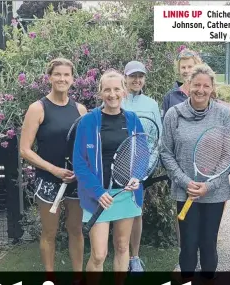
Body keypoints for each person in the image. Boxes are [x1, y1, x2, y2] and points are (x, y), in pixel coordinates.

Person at [160, 64, 230, 282]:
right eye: (196, 85)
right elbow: (165, 152)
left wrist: (208, 186)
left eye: (206, 86)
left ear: (212, 88)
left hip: (214, 193)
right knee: (188, 245)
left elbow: (229, 154)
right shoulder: (174, 114)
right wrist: (185, 182)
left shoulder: (222, 114)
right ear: (188, 85)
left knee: (208, 244)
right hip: (185, 193)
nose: (201, 90)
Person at [72, 70, 144, 283]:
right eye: (107, 90)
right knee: (99, 254)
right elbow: (79, 162)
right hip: (97, 197)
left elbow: (142, 153)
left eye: (116, 89)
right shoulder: (88, 121)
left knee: (122, 246)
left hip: (125, 195)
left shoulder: (132, 119)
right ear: (100, 92)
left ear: (124, 91)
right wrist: (98, 191)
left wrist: (136, 175)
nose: (112, 94)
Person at [19, 58, 87, 282]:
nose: (62, 79)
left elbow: (86, 147)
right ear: (49, 77)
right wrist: (54, 170)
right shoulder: (37, 108)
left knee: (76, 230)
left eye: (66, 75)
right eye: (57, 74)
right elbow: (25, 150)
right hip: (48, 180)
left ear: (73, 79)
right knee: (49, 233)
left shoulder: (80, 109)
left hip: (75, 181)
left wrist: (81, 169)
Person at [161, 47, 203, 272]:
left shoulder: (207, 90)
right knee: (182, 216)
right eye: (183, 67)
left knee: (205, 215)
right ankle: (185, 258)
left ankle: (202, 256)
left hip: (206, 168)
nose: (187, 71)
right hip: (180, 169)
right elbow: (168, 136)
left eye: (190, 66)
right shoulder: (171, 97)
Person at [121, 60, 163, 272]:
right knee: (118, 211)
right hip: (117, 166)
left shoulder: (152, 104)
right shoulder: (115, 99)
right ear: (125, 78)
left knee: (136, 211)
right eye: (132, 76)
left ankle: (134, 257)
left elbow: (157, 138)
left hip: (140, 166)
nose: (137, 80)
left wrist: (147, 166)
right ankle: (122, 253)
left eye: (140, 76)